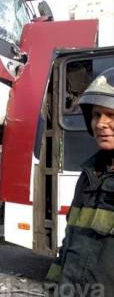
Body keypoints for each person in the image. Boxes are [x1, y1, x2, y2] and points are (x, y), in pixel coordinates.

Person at [46, 68, 114, 296]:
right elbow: (69, 242)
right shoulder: (89, 175)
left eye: (111, 115)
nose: (100, 124)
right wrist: (54, 287)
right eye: (96, 115)